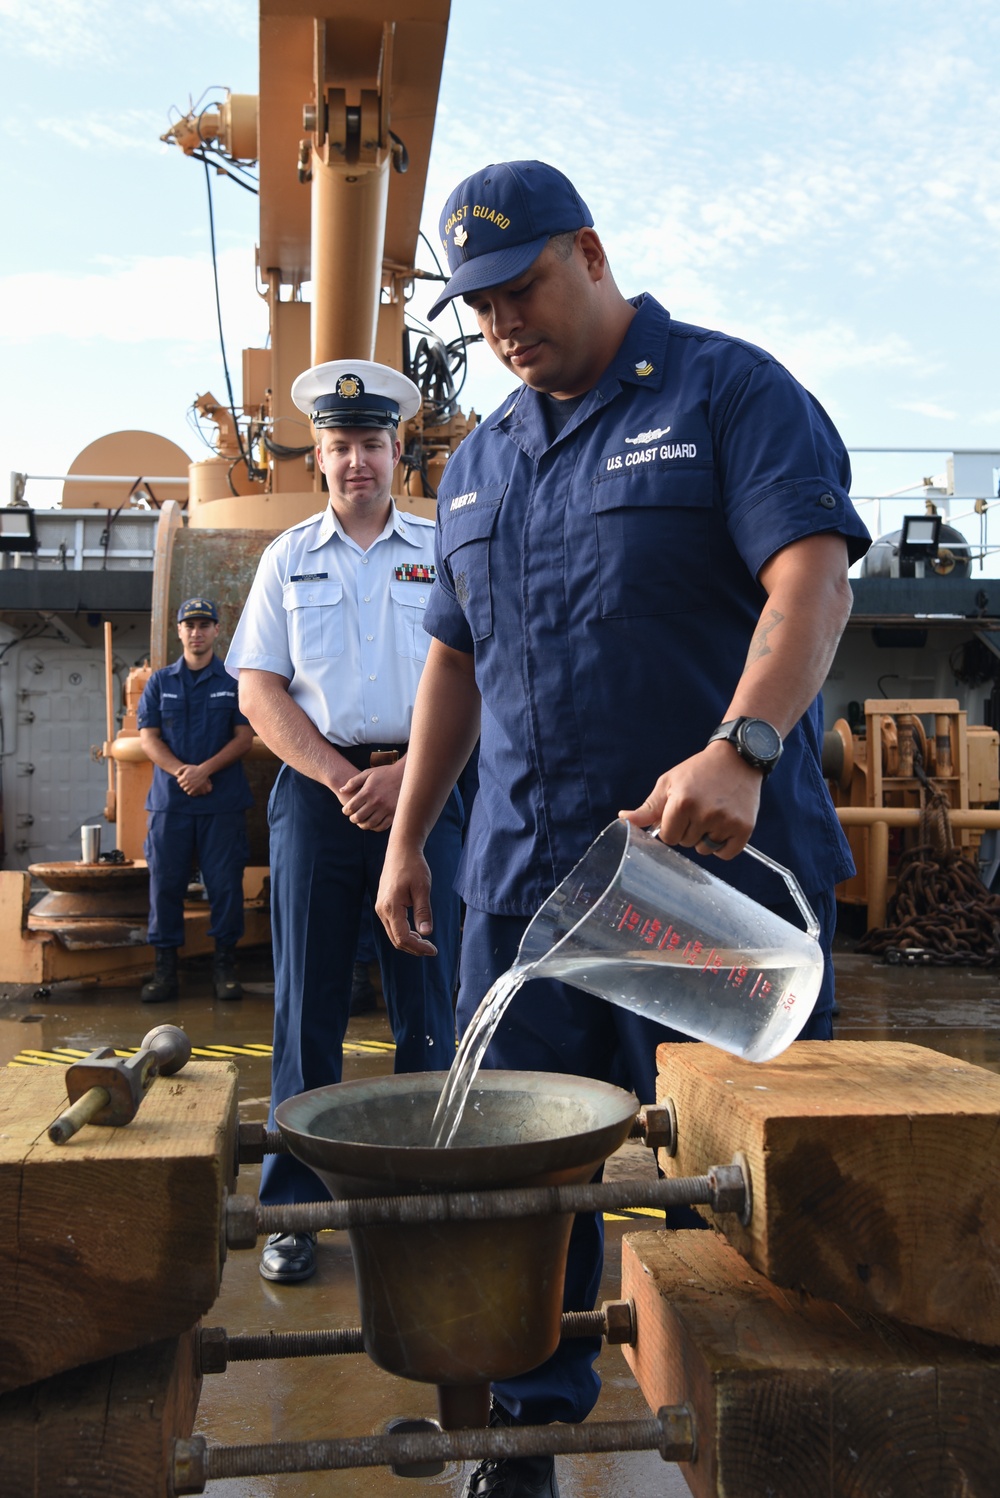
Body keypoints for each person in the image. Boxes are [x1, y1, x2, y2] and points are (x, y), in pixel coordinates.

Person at [376, 160, 871, 1498]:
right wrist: (409, 834)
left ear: (588, 253)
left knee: (745, 1176)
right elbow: (454, 665)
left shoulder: (727, 392)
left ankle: (780, 1436)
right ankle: (525, 1435)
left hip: (698, 880)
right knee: (517, 1179)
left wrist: (746, 743)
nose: (502, 324)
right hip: (517, 889)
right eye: (477, 306)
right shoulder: (478, 461)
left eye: (523, 286)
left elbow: (809, 577)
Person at [226, 359, 464, 1285]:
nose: (356, 461)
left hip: (431, 786)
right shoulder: (287, 558)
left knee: (429, 1002)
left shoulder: (443, 545)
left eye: (371, 443)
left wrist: (408, 775)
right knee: (307, 1007)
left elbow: (479, 669)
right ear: (318, 458)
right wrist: (337, 776)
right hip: (318, 800)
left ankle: (429, 1198)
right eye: (339, 446)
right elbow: (258, 687)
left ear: (397, 450)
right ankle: (295, 1211)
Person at [137, 597, 254, 1004]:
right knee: (165, 885)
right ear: (179, 631)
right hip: (171, 805)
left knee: (225, 887)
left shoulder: (233, 680)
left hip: (221, 804)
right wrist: (184, 774)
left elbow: (244, 738)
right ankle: (164, 970)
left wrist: (205, 771)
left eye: (205, 624)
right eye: (190, 625)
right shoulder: (160, 682)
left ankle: (225, 967)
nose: (197, 632)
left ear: (217, 631)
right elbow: (148, 738)